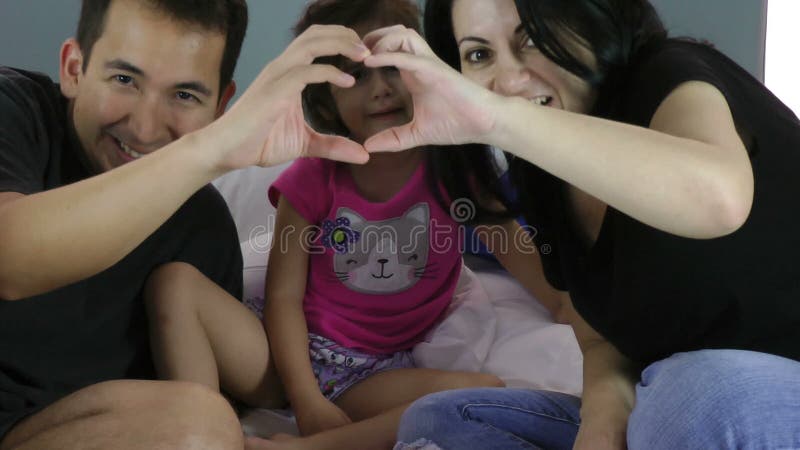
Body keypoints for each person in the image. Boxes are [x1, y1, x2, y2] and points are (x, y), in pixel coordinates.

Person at [356, 0, 800, 449]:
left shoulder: (669, 73)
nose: (508, 81)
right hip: (667, 417)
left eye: (531, 40)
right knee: (442, 419)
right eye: (479, 55)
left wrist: (499, 118)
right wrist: (601, 429)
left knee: (700, 391)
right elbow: (601, 339)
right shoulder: (541, 176)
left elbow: (719, 199)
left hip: (738, 398)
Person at [0, 0, 376, 448]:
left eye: (184, 95)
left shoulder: (202, 227)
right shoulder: (14, 111)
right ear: (74, 68)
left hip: (59, 427)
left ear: (220, 106)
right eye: (124, 79)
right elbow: (10, 257)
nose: (143, 127)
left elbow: (251, 388)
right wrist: (208, 151)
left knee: (199, 423)